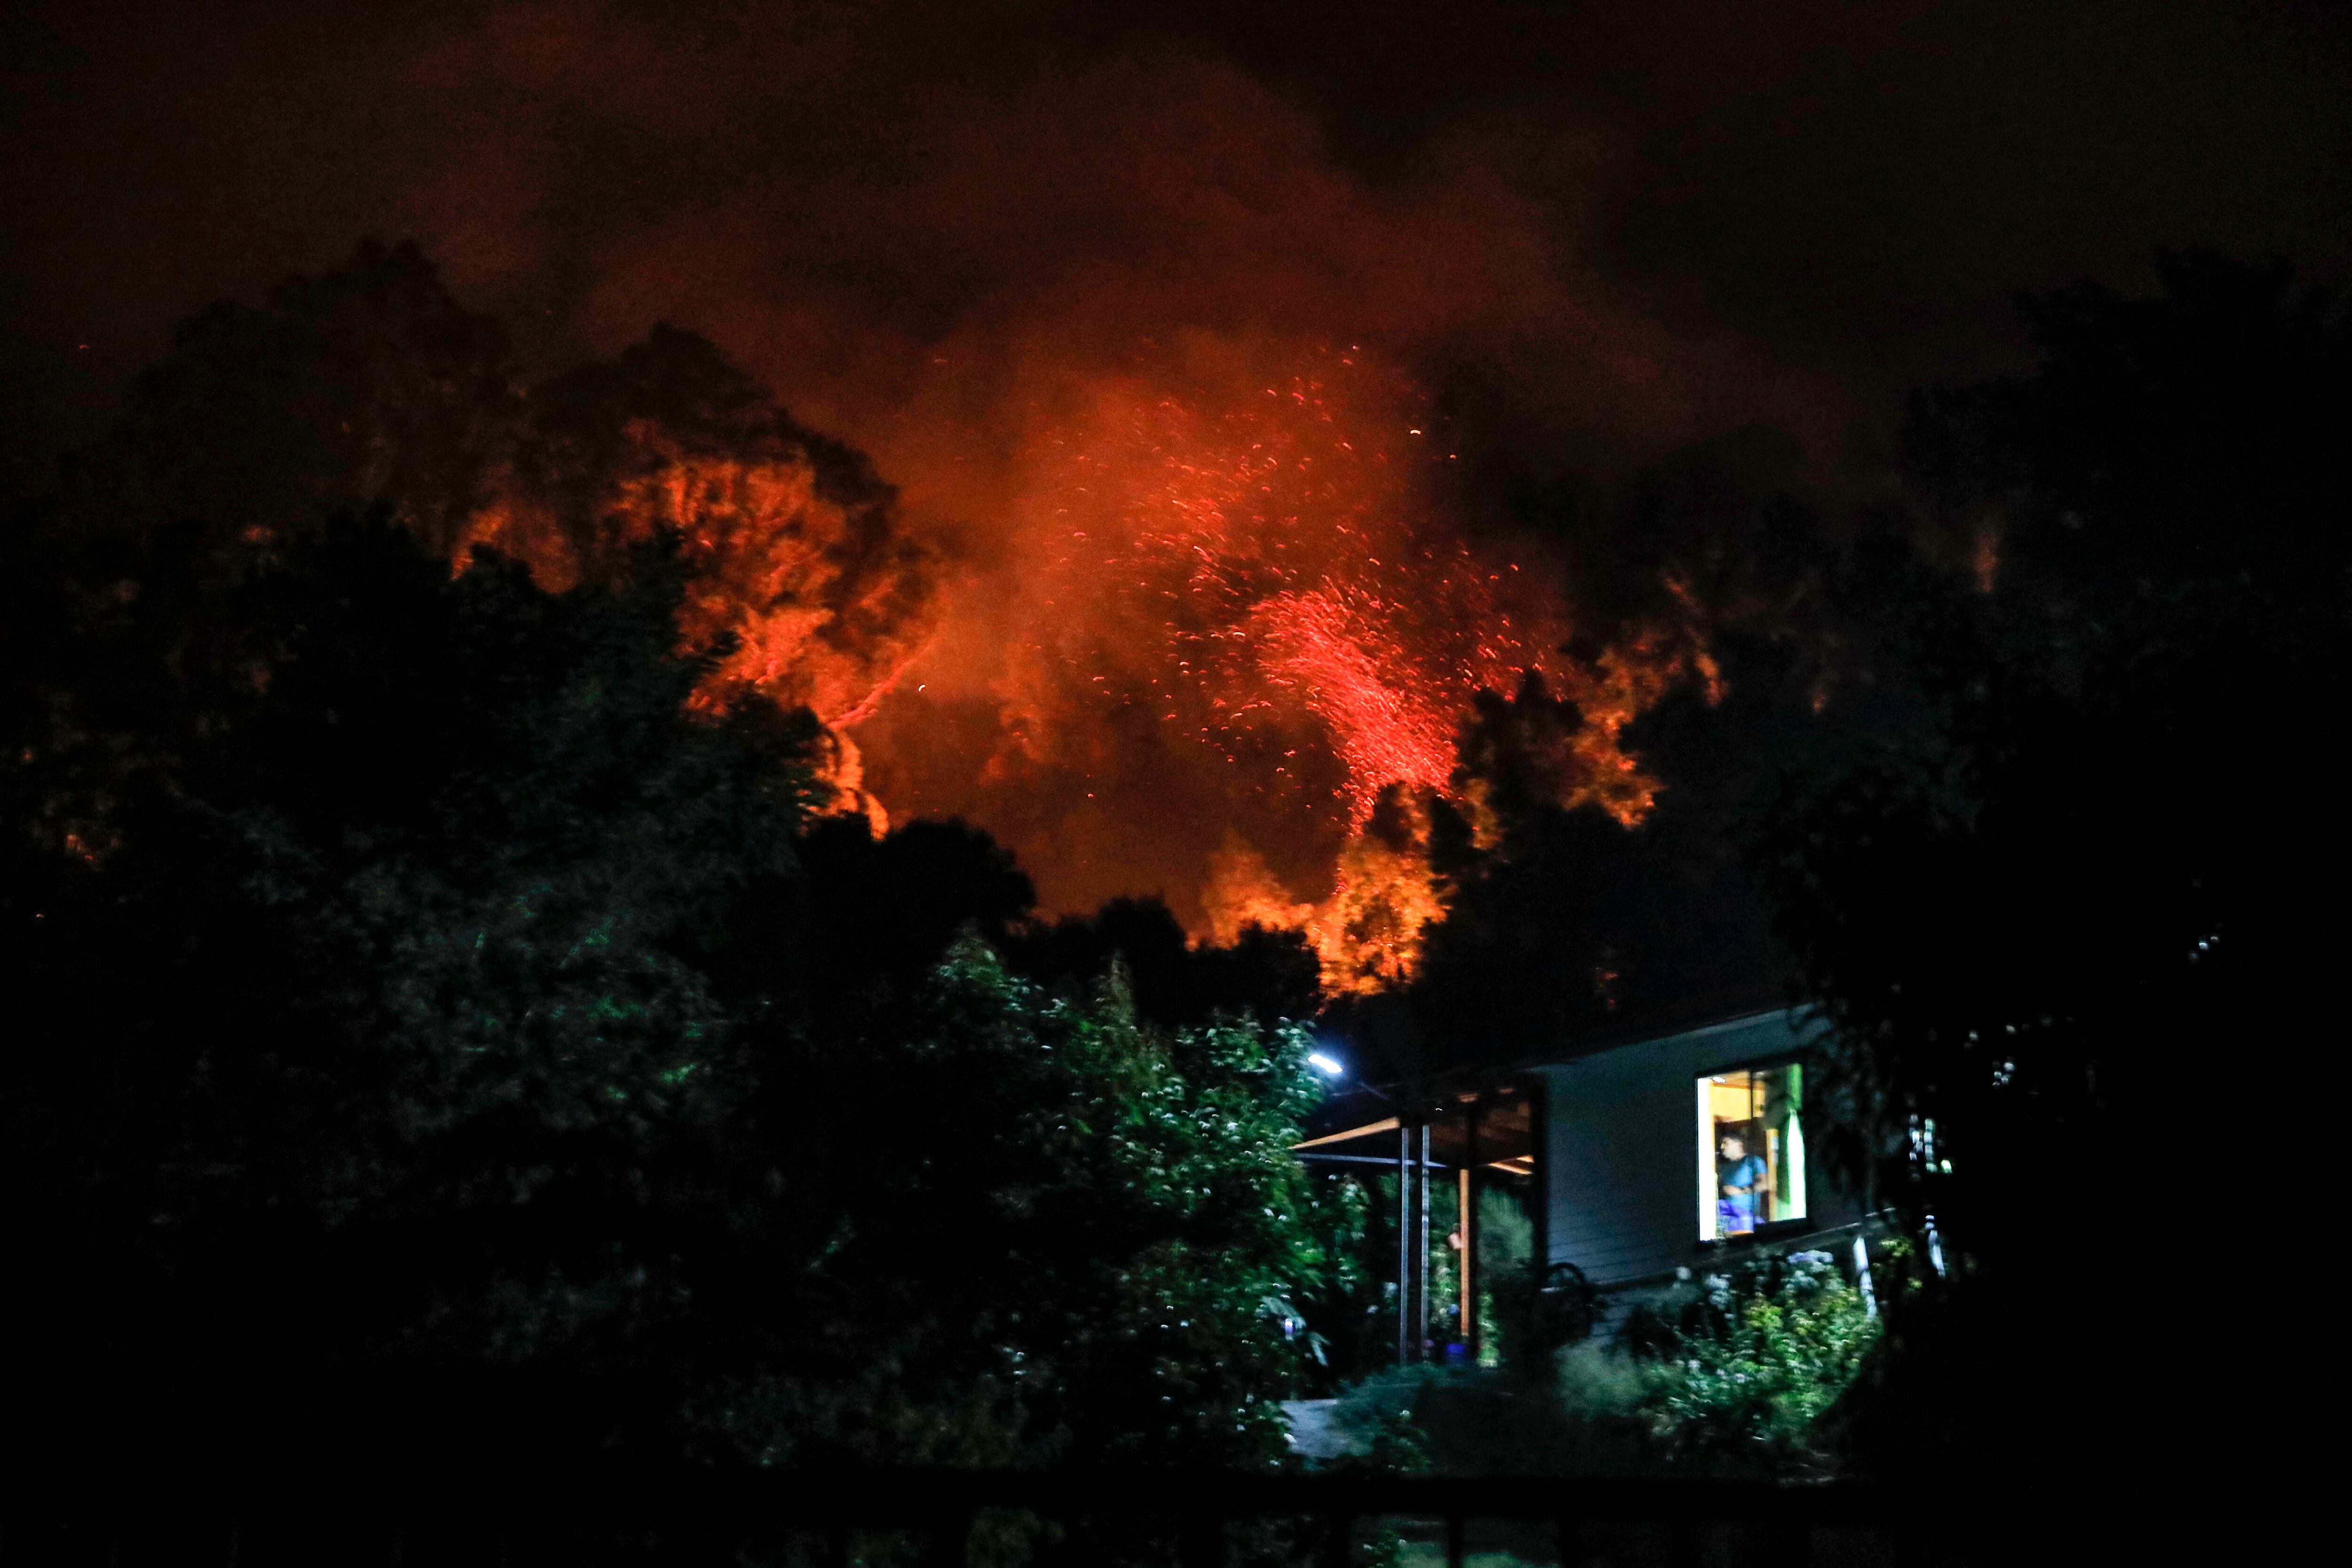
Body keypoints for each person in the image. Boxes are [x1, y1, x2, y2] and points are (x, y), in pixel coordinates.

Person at [1716, 1129, 1768, 1236]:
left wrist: (1740, 1191)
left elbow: (1765, 1184)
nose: (1722, 1147)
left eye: (1726, 1143)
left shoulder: (1753, 1161)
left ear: (1738, 1145)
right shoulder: (1725, 1168)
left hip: (1744, 1219)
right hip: (1725, 1218)